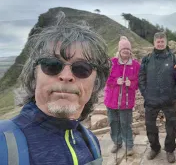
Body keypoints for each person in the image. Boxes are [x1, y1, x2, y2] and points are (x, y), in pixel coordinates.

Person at [0, 12, 111, 165]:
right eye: (52, 65)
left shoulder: (90, 142)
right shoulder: (3, 143)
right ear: (34, 76)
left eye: (82, 68)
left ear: (96, 83)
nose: (66, 76)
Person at [138, 32, 176, 163]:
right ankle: (155, 148)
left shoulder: (173, 59)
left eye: (162, 41)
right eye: (158, 41)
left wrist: (174, 96)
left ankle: (170, 150)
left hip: (169, 100)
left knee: (171, 126)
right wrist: (146, 94)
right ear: (154, 43)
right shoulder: (147, 59)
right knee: (150, 125)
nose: (160, 44)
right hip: (151, 100)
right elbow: (141, 78)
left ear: (166, 42)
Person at [104, 36, 140, 155]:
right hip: (111, 101)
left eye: (128, 49)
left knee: (126, 124)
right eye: (123, 48)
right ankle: (117, 143)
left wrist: (132, 84)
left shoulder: (135, 65)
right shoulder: (111, 63)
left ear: (130, 51)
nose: (126, 51)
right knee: (114, 123)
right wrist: (115, 81)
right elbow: (105, 78)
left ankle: (129, 146)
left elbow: (139, 82)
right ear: (119, 50)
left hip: (126, 102)